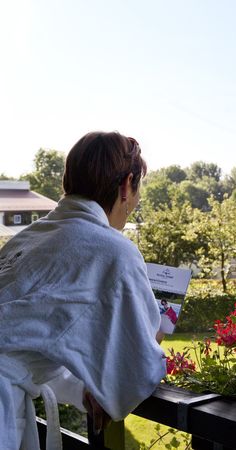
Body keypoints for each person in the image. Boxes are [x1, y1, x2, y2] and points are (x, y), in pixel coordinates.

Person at [0, 131, 166, 449]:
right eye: (138, 188)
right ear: (126, 185)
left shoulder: (30, 236)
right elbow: (134, 372)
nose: (136, 201)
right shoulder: (113, 251)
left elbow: (33, 340)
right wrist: (153, 340)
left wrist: (80, 389)